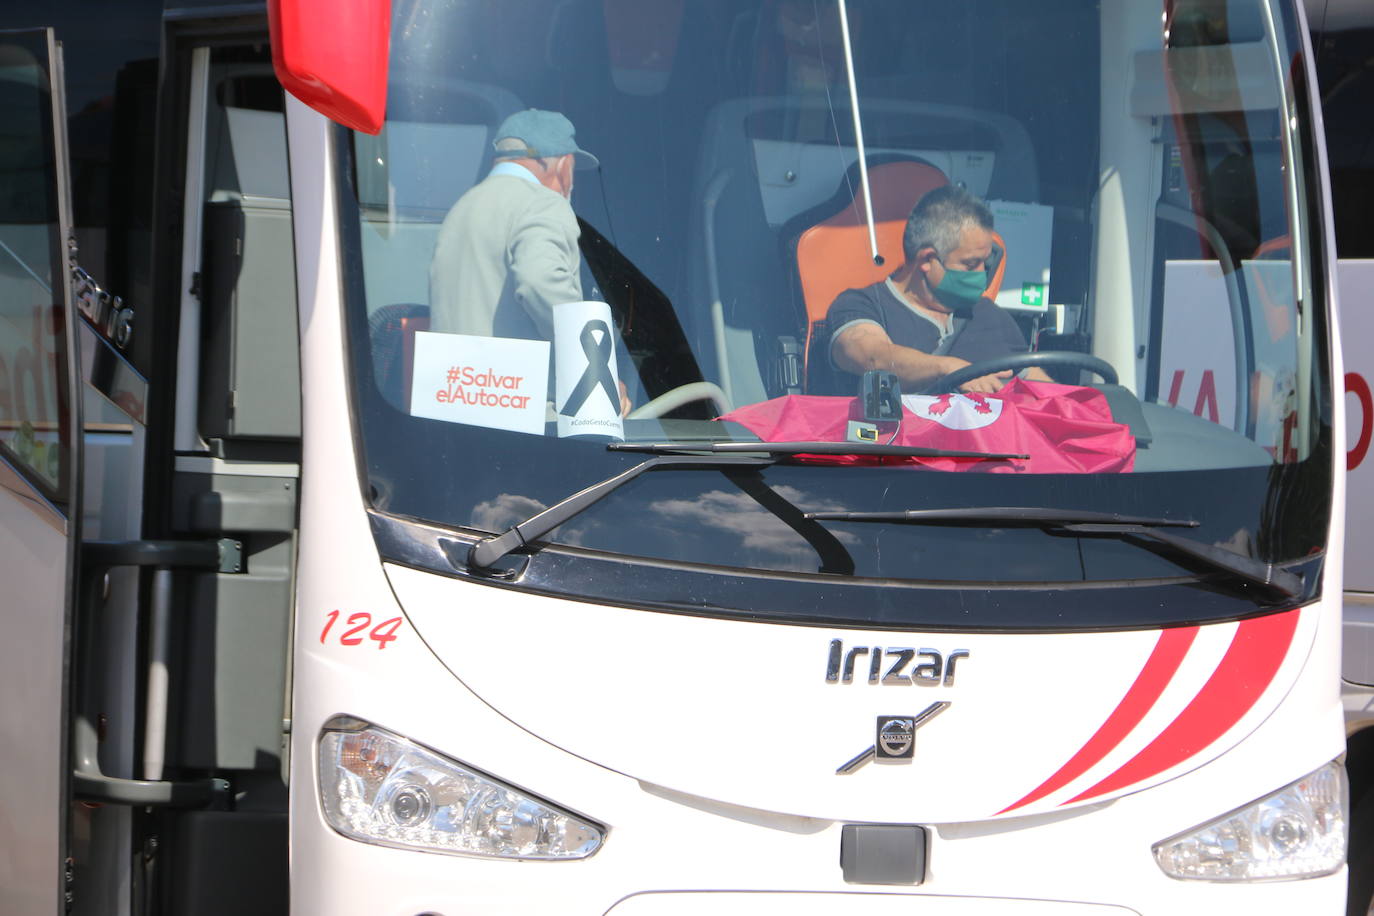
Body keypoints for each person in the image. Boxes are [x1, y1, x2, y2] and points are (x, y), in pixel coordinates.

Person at [429, 108, 630, 414]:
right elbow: (541, 281)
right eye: (572, 168)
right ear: (561, 165)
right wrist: (596, 372)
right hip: (524, 416)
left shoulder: (462, 208)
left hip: (455, 406)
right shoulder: (542, 203)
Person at [827, 185, 1050, 394]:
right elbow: (871, 356)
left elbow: (1041, 386)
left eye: (986, 262)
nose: (982, 273)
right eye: (971, 264)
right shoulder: (863, 305)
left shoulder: (990, 315)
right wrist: (949, 369)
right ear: (927, 259)